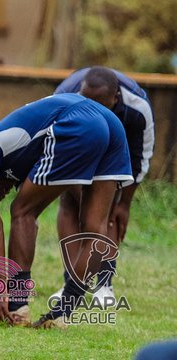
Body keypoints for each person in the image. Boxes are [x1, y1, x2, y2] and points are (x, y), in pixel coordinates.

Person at [0, 68, 134, 328]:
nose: (2, 194)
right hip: (111, 123)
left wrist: (0, 291)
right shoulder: (18, 161)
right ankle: (63, 313)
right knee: (95, 228)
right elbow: (65, 178)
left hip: (78, 120)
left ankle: (17, 309)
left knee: (21, 211)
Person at [49, 67, 153, 304]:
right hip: (76, 147)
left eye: (99, 105)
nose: (91, 111)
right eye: (86, 103)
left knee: (108, 211)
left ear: (115, 99)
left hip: (117, 148)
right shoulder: (63, 99)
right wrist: (82, 195)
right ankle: (71, 283)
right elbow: (58, 154)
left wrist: (124, 203)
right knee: (68, 204)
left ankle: (104, 285)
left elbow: (140, 158)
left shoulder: (137, 110)